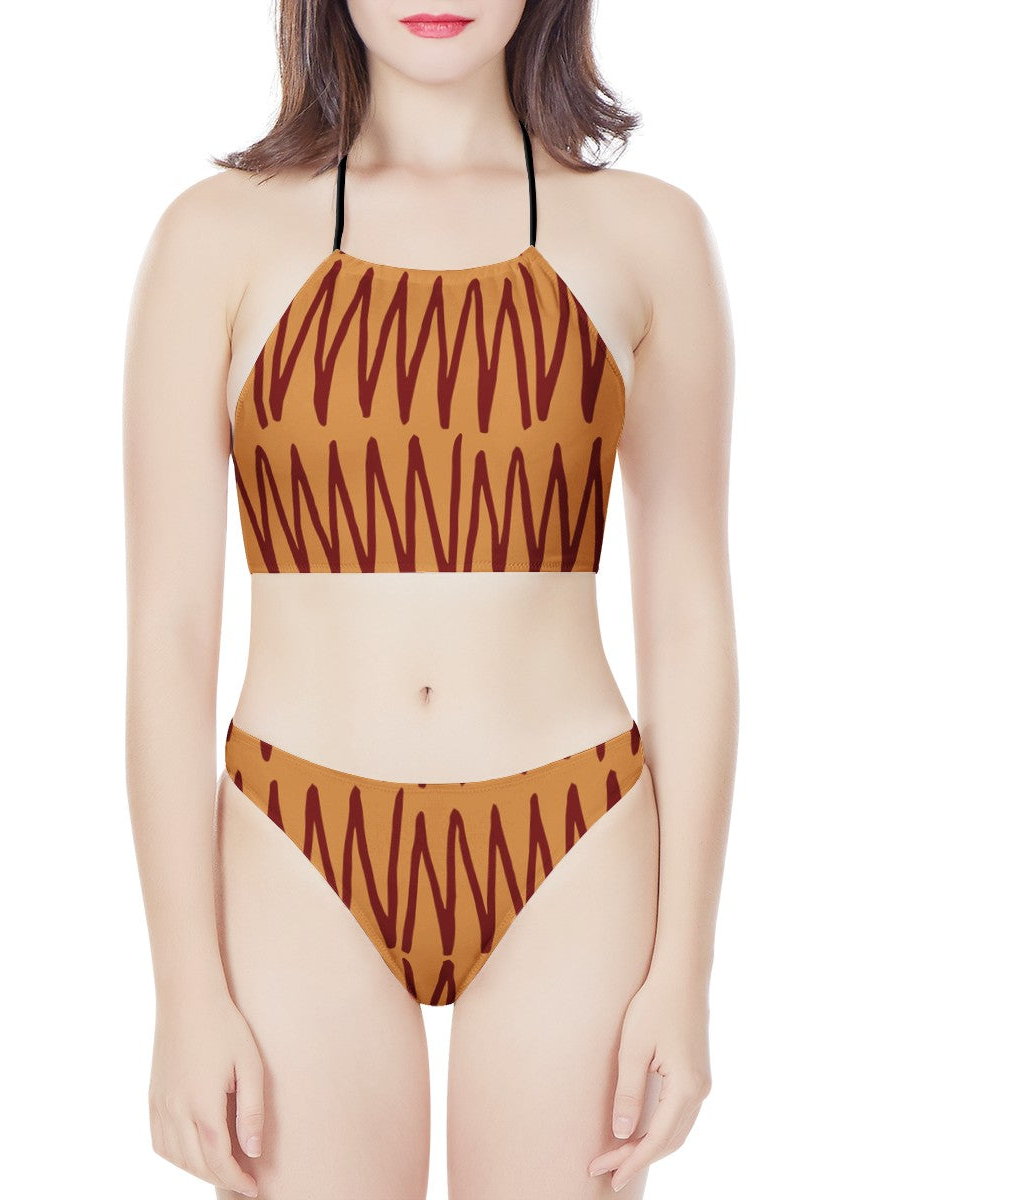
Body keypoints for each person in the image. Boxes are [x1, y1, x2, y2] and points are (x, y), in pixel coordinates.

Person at [123, 2, 737, 1197]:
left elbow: (690, 615)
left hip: (574, 842)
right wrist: (183, 993)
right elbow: (168, 634)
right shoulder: (217, 238)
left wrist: (686, 973)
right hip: (295, 841)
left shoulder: (647, 235)